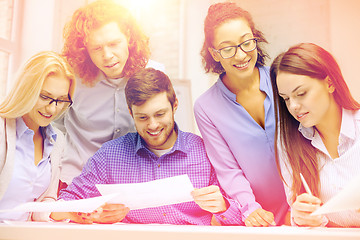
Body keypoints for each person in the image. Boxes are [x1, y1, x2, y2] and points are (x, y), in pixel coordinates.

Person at [51, 68, 242, 225]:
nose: (152, 125)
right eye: (142, 117)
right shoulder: (110, 155)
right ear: (130, 112)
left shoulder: (205, 151)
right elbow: (64, 204)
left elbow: (241, 214)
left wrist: (223, 205)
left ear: (175, 105)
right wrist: (91, 214)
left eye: (160, 114)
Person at [193, 2, 288, 226]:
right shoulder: (206, 107)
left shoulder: (280, 80)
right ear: (214, 54)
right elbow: (228, 170)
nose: (241, 55)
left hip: (305, 206)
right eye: (228, 48)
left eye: (247, 42)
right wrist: (250, 208)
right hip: (256, 215)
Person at [55, 0, 164, 188]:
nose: (107, 56)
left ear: (128, 38)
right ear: (85, 49)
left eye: (114, 44)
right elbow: (53, 128)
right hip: (76, 180)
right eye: (96, 48)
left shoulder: (154, 74)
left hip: (132, 183)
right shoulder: (71, 78)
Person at [270, 42, 360, 227]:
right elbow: (299, 211)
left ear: (329, 83)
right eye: (286, 98)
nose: (293, 106)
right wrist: (301, 217)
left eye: (301, 93)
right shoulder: (287, 141)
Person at [0, 51, 75, 222]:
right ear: (26, 89)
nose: (52, 109)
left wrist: (68, 212)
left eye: (61, 100)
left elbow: (42, 204)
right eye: (44, 97)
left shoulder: (57, 140)